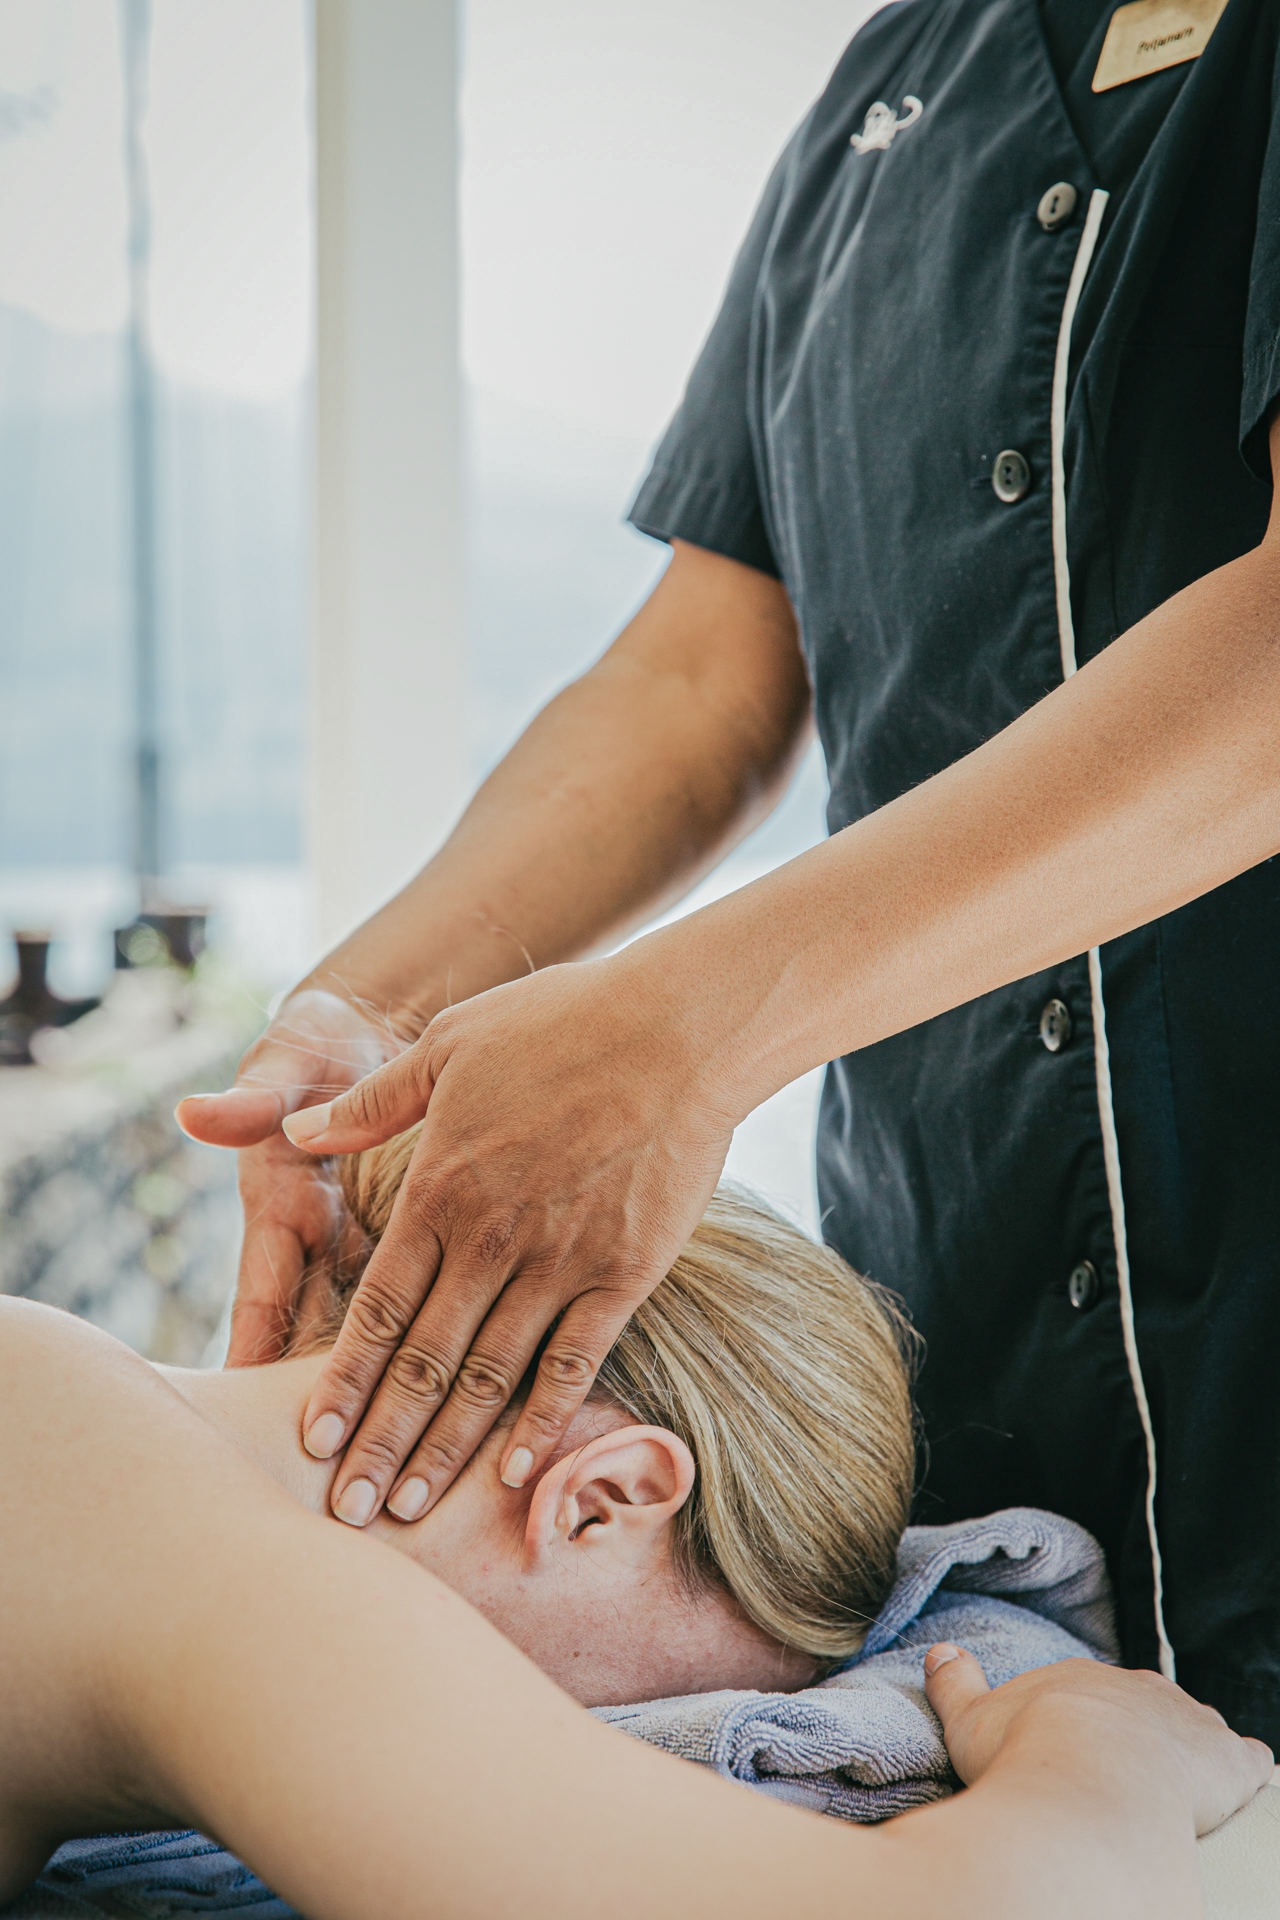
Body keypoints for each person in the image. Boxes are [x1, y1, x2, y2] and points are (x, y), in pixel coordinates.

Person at [180, 0, 1280, 1743]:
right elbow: (698, 675)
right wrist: (364, 1016)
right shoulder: (905, 77)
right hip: (979, 1330)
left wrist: (677, 1036)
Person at [0, 1266, 1272, 1915]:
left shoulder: (71, 1416)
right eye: (633, 1722)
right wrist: (1101, 1750)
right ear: (602, 1499)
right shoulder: (218, 1574)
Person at [175, 1164, 919, 1701]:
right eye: (634, 1715)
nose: (582, 1741)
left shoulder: (92, 1406)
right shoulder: (217, 1667)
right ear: (604, 1502)